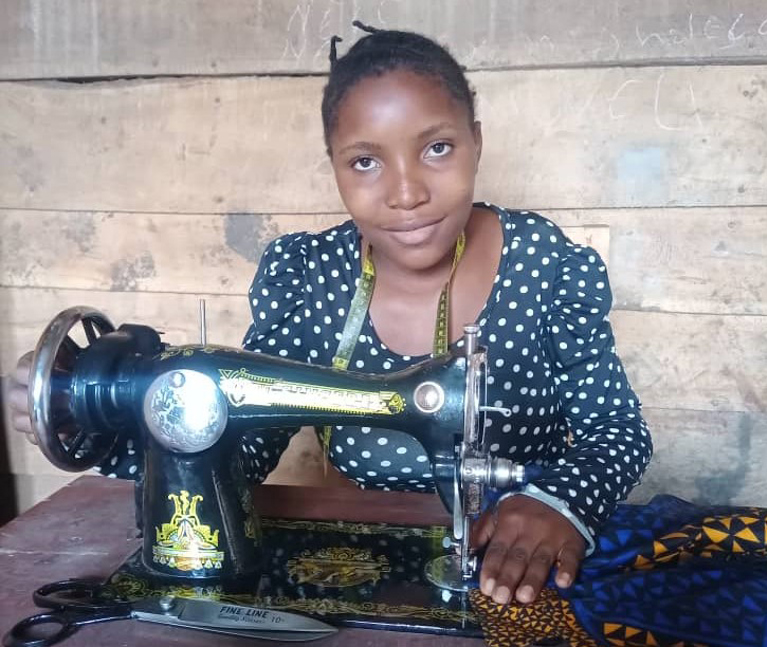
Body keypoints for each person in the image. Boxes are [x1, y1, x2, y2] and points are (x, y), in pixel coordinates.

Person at [9, 22, 652, 607]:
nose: (406, 193)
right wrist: (79, 406)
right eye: (366, 161)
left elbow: (619, 430)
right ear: (336, 169)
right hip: (364, 553)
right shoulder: (310, 275)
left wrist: (558, 506)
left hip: (525, 560)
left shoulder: (545, 263)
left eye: (437, 149)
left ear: (476, 142)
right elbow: (242, 446)